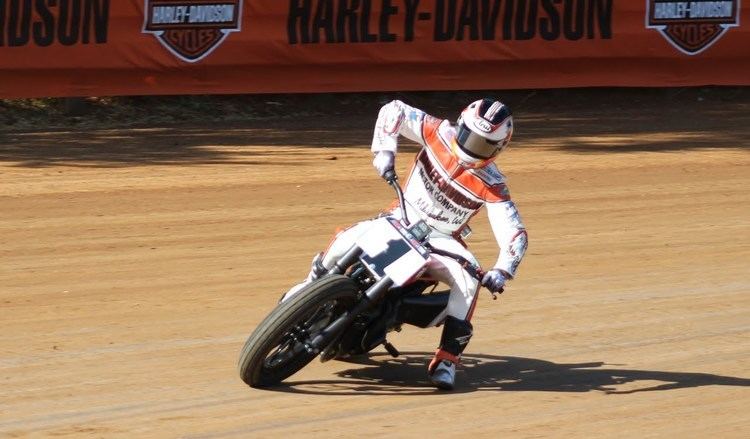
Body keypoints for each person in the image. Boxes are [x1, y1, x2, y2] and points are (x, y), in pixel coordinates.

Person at [284, 98, 528, 390]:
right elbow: (394, 109)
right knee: (349, 235)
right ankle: (311, 284)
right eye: (469, 136)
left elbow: (514, 233)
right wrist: (385, 151)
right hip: (401, 214)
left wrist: (502, 269)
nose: (472, 147)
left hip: (442, 239)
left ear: (499, 149)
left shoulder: (494, 184)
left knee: (468, 281)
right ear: (460, 125)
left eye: (484, 144)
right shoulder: (437, 132)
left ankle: (447, 360)